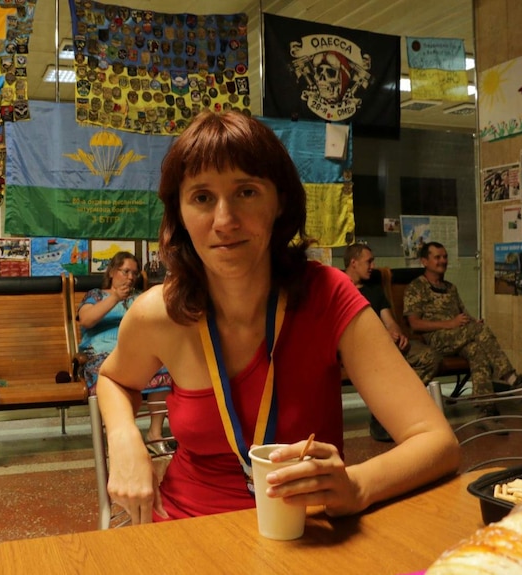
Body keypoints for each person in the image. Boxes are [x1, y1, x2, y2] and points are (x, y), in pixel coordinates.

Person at [95, 110, 459, 524]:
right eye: (201, 197)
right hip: (186, 531)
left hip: (306, 535)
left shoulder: (328, 295)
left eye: (246, 192)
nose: (224, 221)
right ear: (178, 213)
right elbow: (113, 379)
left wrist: (357, 485)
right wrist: (124, 438)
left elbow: (437, 442)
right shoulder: (160, 312)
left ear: (279, 201)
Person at [403, 242, 522, 427]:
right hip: (436, 339)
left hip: (458, 336)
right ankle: (513, 380)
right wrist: (449, 324)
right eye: (437, 257)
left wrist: (474, 322)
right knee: (478, 331)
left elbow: (465, 316)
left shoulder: (451, 288)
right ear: (425, 261)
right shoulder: (416, 287)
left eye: (444, 256)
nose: (443, 261)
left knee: (476, 350)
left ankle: (486, 411)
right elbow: (414, 324)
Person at [343, 243, 442, 442]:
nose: (373, 266)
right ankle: (386, 414)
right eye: (368, 261)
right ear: (353, 263)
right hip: (357, 348)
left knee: (429, 356)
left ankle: (386, 413)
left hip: (386, 346)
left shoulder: (375, 291)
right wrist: (379, 337)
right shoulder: (340, 290)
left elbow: (389, 321)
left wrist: (397, 333)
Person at [77, 251, 172, 451]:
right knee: (110, 376)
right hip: (101, 354)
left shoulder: (140, 298)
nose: (130, 277)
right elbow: (86, 320)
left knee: (164, 369)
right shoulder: (96, 295)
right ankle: (123, 437)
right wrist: (115, 298)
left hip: (136, 352)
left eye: (134, 273)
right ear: (112, 271)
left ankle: (155, 434)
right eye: (125, 271)